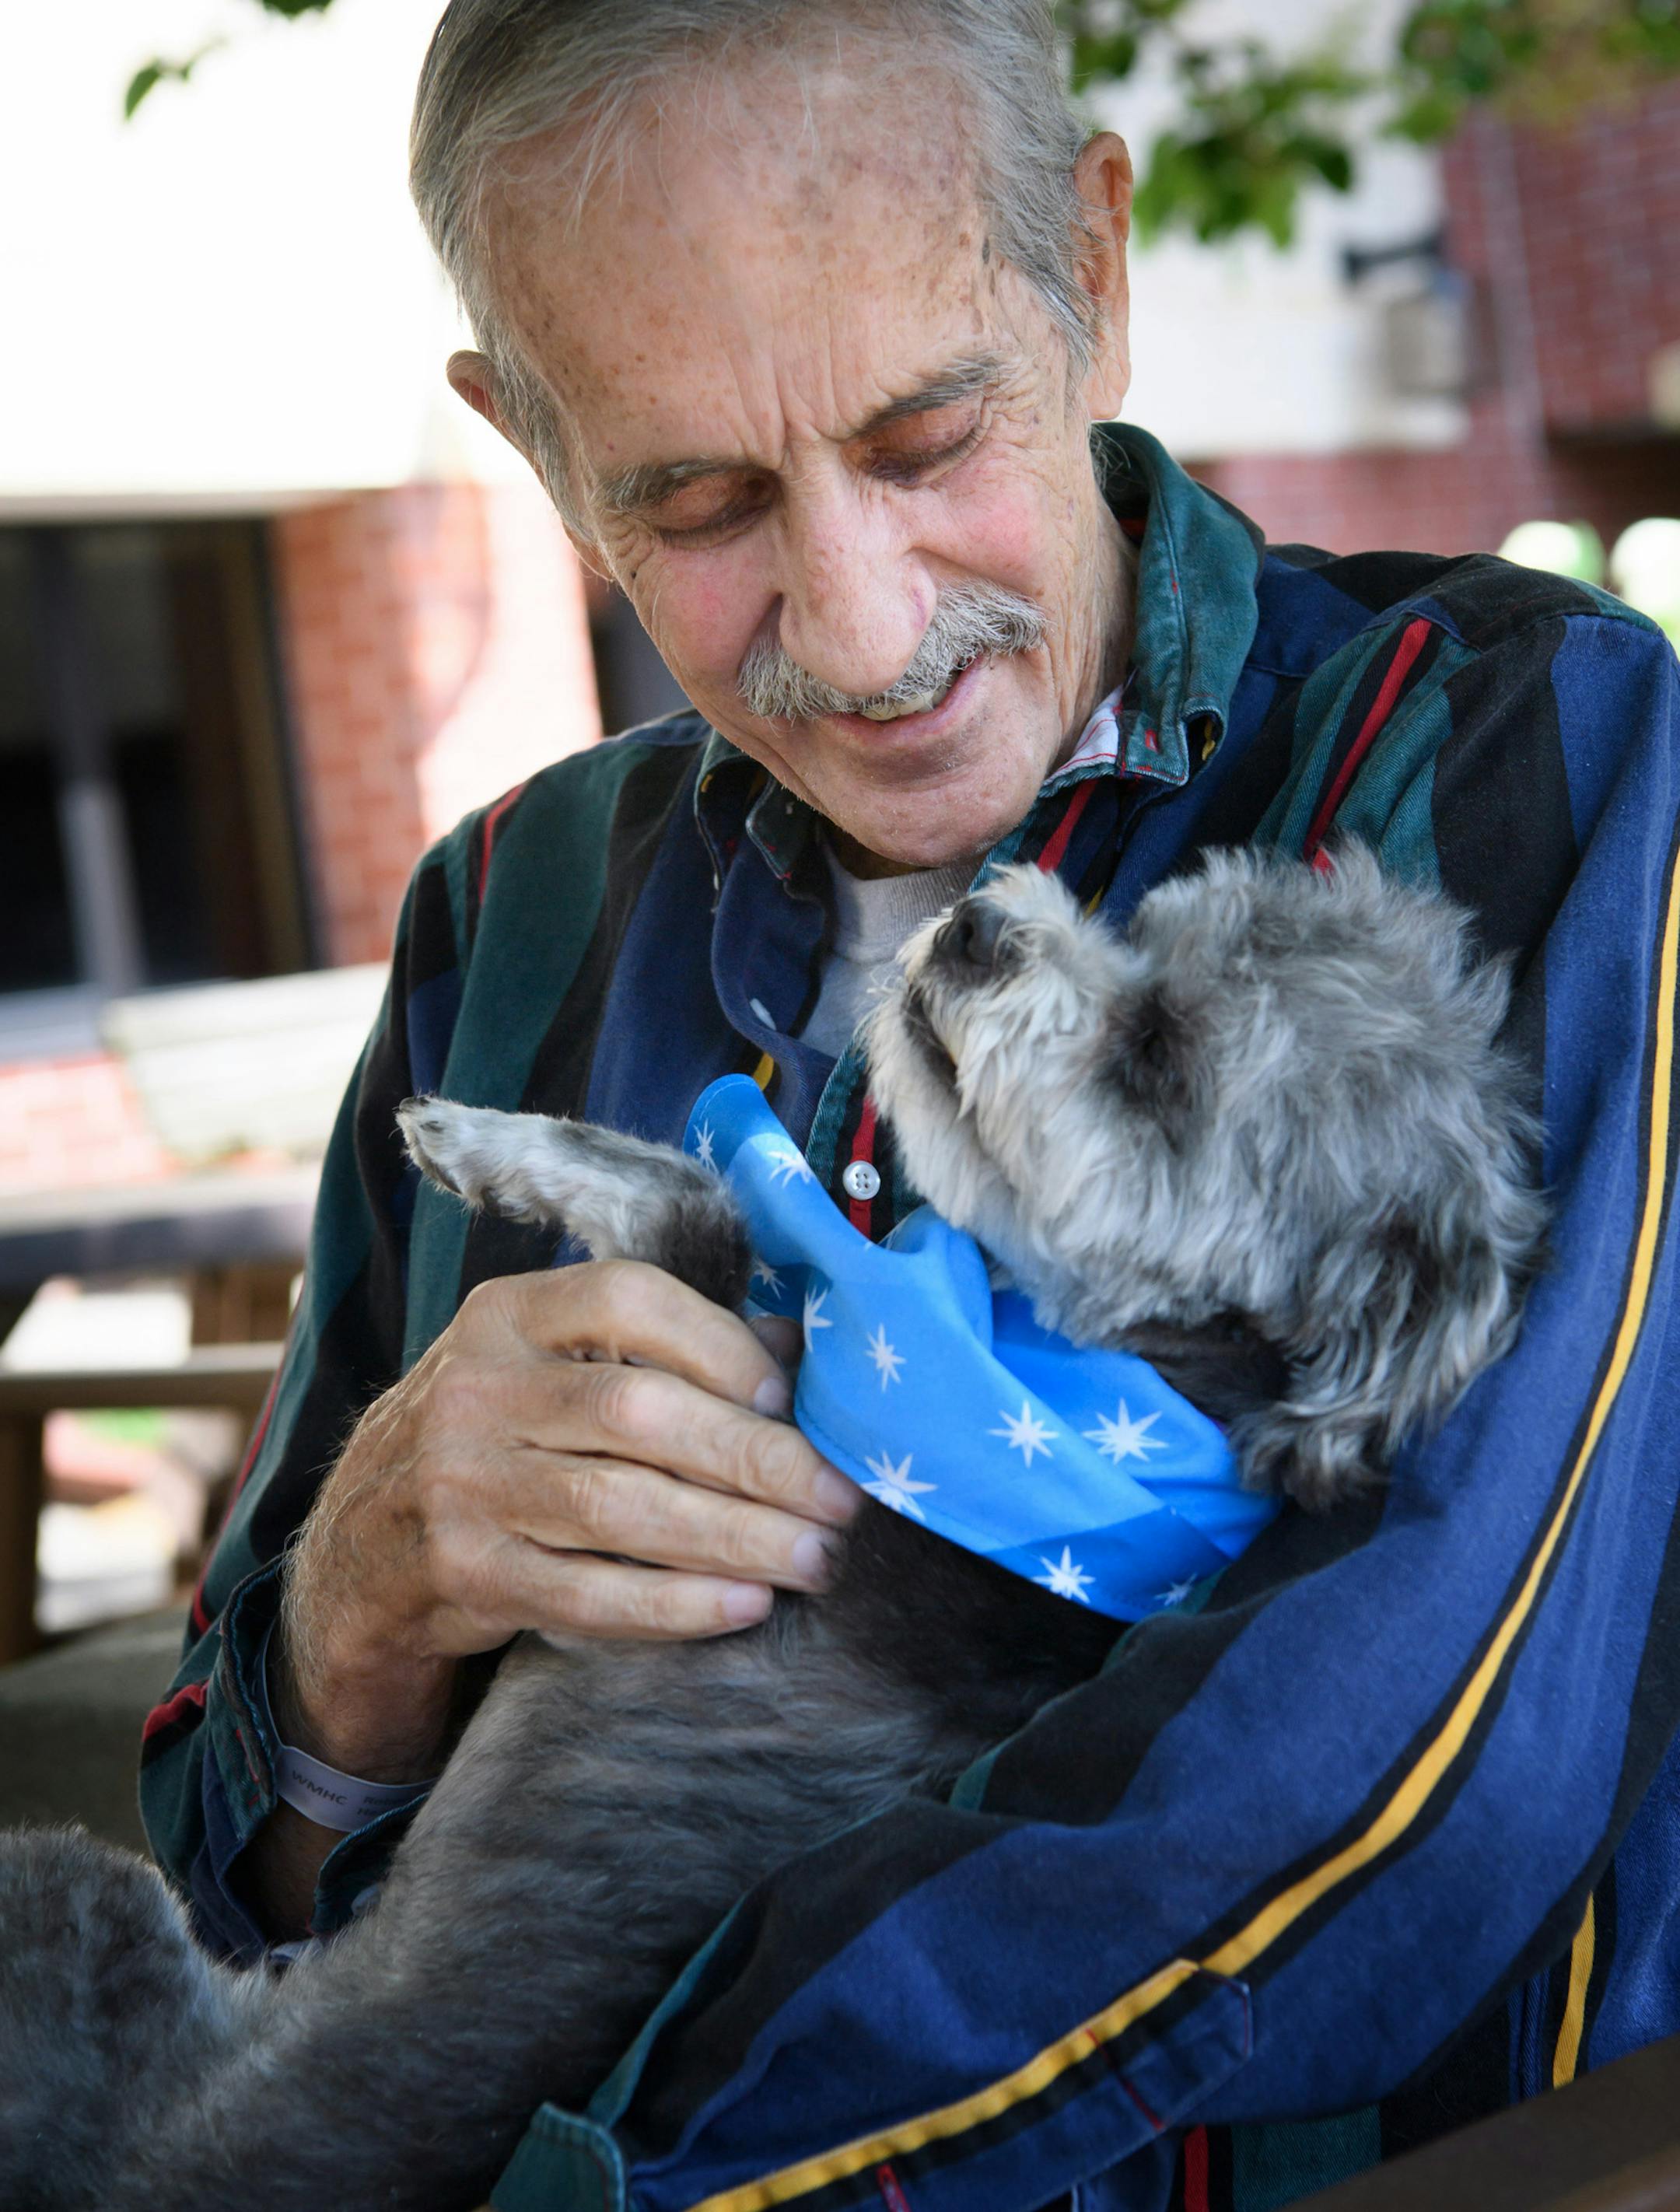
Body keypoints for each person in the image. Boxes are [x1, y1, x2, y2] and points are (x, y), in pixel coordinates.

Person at [139, 3, 1680, 2207]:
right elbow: (230, 1874)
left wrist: (610, 2176)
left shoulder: (1540, 753)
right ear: (535, 448)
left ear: (1097, 267)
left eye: (929, 431)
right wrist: (354, 1626)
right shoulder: (505, 911)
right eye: (694, 502)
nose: (861, 631)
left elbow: (1421, 1758)